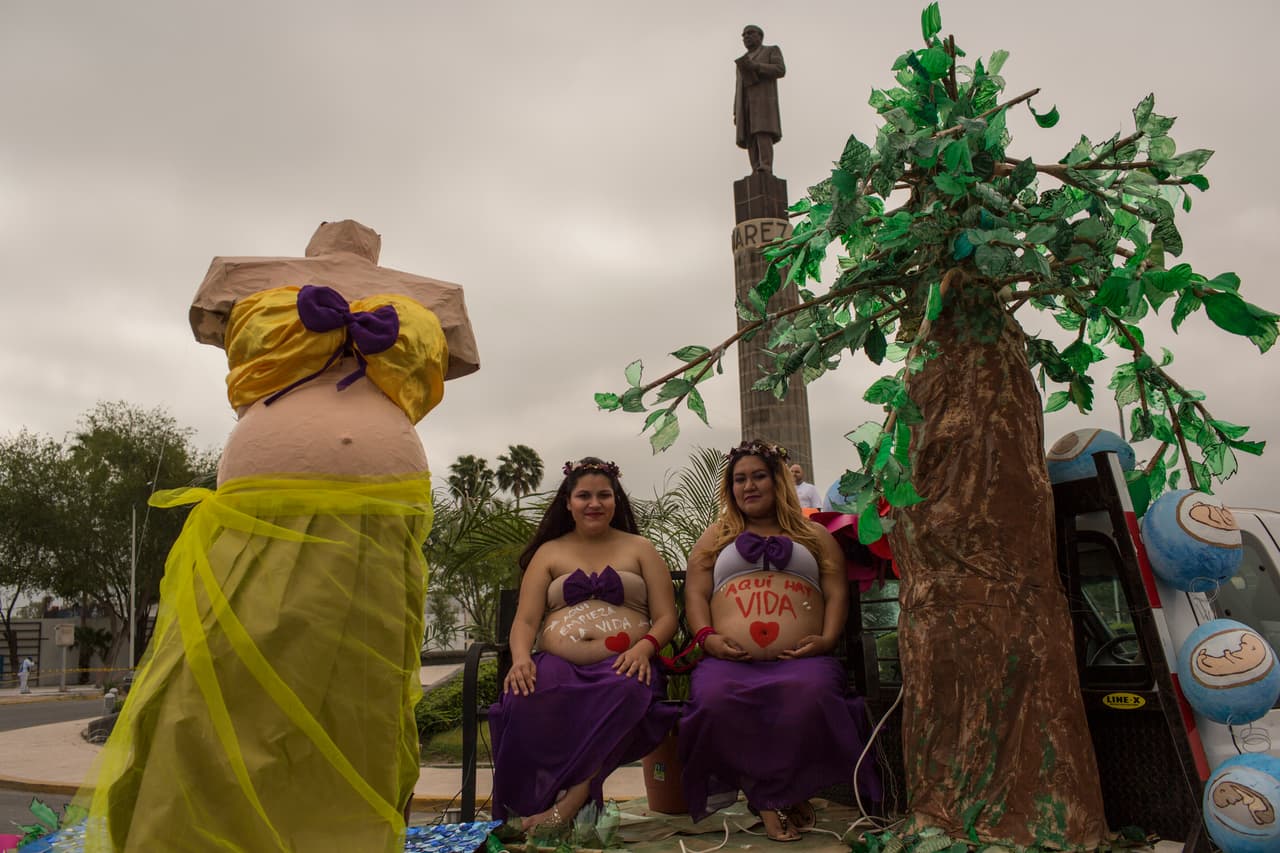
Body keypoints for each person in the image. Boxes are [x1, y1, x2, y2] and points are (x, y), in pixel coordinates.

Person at [77, 220, 479, 852]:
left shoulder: (437, 297)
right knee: (209, 689)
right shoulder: (242, 277)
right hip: (260, 503)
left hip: (381, 508)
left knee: (360, 696)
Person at [679, 439, 881, 842]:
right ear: (730, 487)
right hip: (731, 661)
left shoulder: (813, 533)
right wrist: (707, 638)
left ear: (778, 482)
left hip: (801, 658)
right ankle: (771, 799)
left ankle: (786, 794)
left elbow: (836, 590)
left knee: (812, 696)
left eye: (758, 476)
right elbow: (696, 592)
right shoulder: (717, 535)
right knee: (715, 700)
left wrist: (826, 640)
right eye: (739, 479)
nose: (748, 486)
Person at [489, 458, 681, 831]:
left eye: (604, 495)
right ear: (568, 502)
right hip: (560, 663)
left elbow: (667, 617)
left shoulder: (640, 548)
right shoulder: (549, 552)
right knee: (526, 694)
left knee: (627, 689)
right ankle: (532, 804)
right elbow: (526, 620)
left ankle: (574, 800)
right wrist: (520, 659)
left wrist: (645, 648)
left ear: (616, 501)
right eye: (584, 496)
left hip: (626, 661)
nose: (594, 503)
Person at [733, 25, 786, 174]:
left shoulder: (771, 50)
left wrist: (756, 66)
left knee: (762, 132)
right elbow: (737, 87)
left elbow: (780, 70)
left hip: (763, 101)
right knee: (750, 136)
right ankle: (755, 168)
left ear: (760, 36)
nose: (746, 37)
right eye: (744, 35)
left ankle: (766, 165)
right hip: (745, 103)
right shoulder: (742, 61)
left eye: (750, 33)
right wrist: (736, 111)